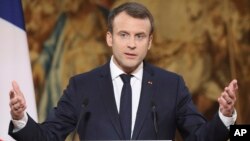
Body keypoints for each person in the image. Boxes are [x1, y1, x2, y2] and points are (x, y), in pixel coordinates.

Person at [8, 2, 238, 141]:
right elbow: (47, 137)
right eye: (123, 35)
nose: (131, 44)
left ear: (149, 42)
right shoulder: (82, 86)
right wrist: (20, 119)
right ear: (110, 38)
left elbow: (200, 137)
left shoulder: (171, 85)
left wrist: (224, 116)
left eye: (139, 37)